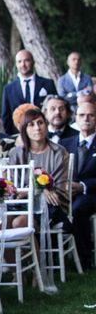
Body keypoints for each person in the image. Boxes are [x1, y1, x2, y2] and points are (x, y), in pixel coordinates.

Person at [9, 108, 70, 229]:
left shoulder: (59, 152)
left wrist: (30, 191)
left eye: (40, 122)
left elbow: (57, 192)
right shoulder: (16, 153)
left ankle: (33, 248)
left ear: (46, 125)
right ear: (24, 130)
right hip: (21, 203)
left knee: (18, 224)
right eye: (31, 124)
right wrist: (41, 190)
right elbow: (14, 188)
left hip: (51, 206)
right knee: (1, 224)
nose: (37, 128)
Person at [60, 102, 96, 269]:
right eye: (82, 115)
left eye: (91, 115)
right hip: (67, 193)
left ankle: (84, 259)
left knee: (78, 208)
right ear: (75, 118)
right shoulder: (65, 143)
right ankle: (56, 258)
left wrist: (83, 186)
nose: (86, 119)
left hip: (91, 194)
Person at [1, 50, 57, 135]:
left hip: (44, 133)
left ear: (33, 62)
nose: (23, 64)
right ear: (16, 64)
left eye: (26, 60)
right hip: (18, 135)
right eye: (19, 61)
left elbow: (54, 108)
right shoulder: (8, 89)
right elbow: (6, 117)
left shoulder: (48, 84)